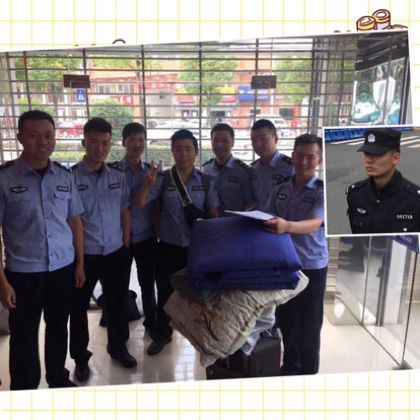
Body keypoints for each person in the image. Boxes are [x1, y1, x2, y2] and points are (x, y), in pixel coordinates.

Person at [0, 110, 85, 390]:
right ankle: (24, 390)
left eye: (48, 135)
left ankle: (58, 379)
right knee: (23, 335)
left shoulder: (64, 175)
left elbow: (75, 221)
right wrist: (2, 282)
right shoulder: (5, 178)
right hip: (23, 273)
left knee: (59, 327)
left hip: (62, 267)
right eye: (34, 136)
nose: (43, 142)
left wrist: (80, 264)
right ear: (20, 137)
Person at [133, 129, 220, 356]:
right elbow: (139, 203)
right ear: (172, 152)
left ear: (196, 152)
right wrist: (147, 184)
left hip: (197, 249)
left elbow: (214, 214)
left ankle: (206, 338)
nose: (183, 154)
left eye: (188, 149)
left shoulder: (206, 181)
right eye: (178, 149)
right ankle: (163, 335)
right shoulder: (163, 179)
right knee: (166, 292)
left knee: (202, 294)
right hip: (168, 248)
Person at [69, 117, 136, 383]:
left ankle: (118, 348)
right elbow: (71, 220)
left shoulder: (118, 176)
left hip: (116, 252)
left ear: (111, 145)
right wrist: (78, 262)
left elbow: (125, 212)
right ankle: (80, 358)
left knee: (117, 303)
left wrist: (126, 246)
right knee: (78, 309)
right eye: (94, 142)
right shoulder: (71, 177)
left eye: (105, 143)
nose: (100, 148)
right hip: (85, 255)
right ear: (84, 143)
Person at [263, 133, 328, 375]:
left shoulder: (323, 191)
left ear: (319, 160)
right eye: (299, 156)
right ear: (292, 157)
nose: (304, 162)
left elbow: (315, 222)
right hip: (284, 265)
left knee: (309, 326)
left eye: (310, 157)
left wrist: (287, 226)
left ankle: (309, 373)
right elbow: (267, 215)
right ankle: (290, 367)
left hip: (311, 266)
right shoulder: (281, 187)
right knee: (287, 321)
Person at [119, 122, 158, 338]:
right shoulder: (113, 171)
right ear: (123, 142)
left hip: (146, 237)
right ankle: (120, 327)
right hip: (119, 239)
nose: (136, 144)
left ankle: (151, 323)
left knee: (147, 284)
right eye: (132, 140)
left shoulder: (152, 172)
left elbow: (149, 205)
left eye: (141, 140)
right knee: (119, 285)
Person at [346, 128, 420, 233]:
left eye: (377, 154)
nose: (368, 160)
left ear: (396, 158)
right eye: (366, 153)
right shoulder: (355, 195)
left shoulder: (415, 201)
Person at [202, 123, 255, 214]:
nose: (219, 145)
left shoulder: (243, 171)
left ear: (232, 143)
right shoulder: (206, 169)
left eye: (225, 141)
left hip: (235, 221)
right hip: (211, 221)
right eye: (216, 141)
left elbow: (251, 203)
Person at [250, 119, 294, 210]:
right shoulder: (253, 169)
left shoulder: (290, 167)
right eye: (254, 140)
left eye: (263, 139)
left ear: (276, 139)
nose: (258, 144)